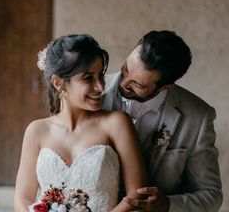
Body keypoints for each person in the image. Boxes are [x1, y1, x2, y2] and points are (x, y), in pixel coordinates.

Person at [14, 35, 147, 212]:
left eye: (101, 76)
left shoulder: (116, 123)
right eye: (88, 78)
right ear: (58, 83)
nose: (100, 86)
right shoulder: (36, 131)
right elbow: (22, 199)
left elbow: (137, 196)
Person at [101, 31, 222, 212]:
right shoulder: (93, 92)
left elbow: (211, 195)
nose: (124, 84)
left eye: (138, 84)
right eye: (125, 69)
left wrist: (167, 204)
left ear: (165, 86)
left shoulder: (198, 116)